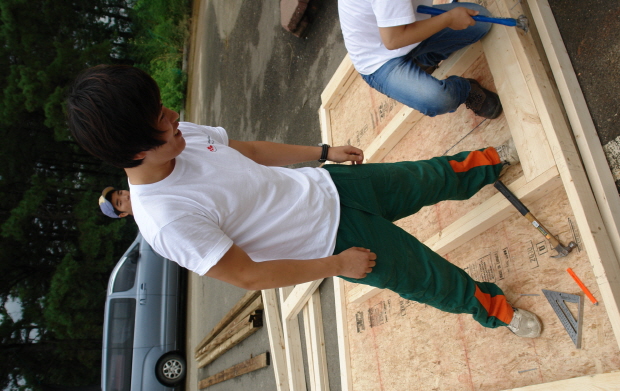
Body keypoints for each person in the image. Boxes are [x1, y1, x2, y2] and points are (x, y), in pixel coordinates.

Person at [66, 65, 540, 338]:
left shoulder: (180, 135)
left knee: (422, 178)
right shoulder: (167, 221)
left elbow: (250, 151)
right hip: (335, 242)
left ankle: (492, 161)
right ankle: (497, 311)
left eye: (163, 108)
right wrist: (336, 265)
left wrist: (323, 152)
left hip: (329, 187)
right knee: (426, 277)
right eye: (161, 121)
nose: (174, 116)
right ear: (136, 152)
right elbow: (249, 275)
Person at [338, 0, 501, 119]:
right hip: (379, 59)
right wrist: (449, 19)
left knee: (481, 21)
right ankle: (465, 90)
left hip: (411, 23)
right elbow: (393, 41)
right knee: (438, 100)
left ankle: (424, 60)